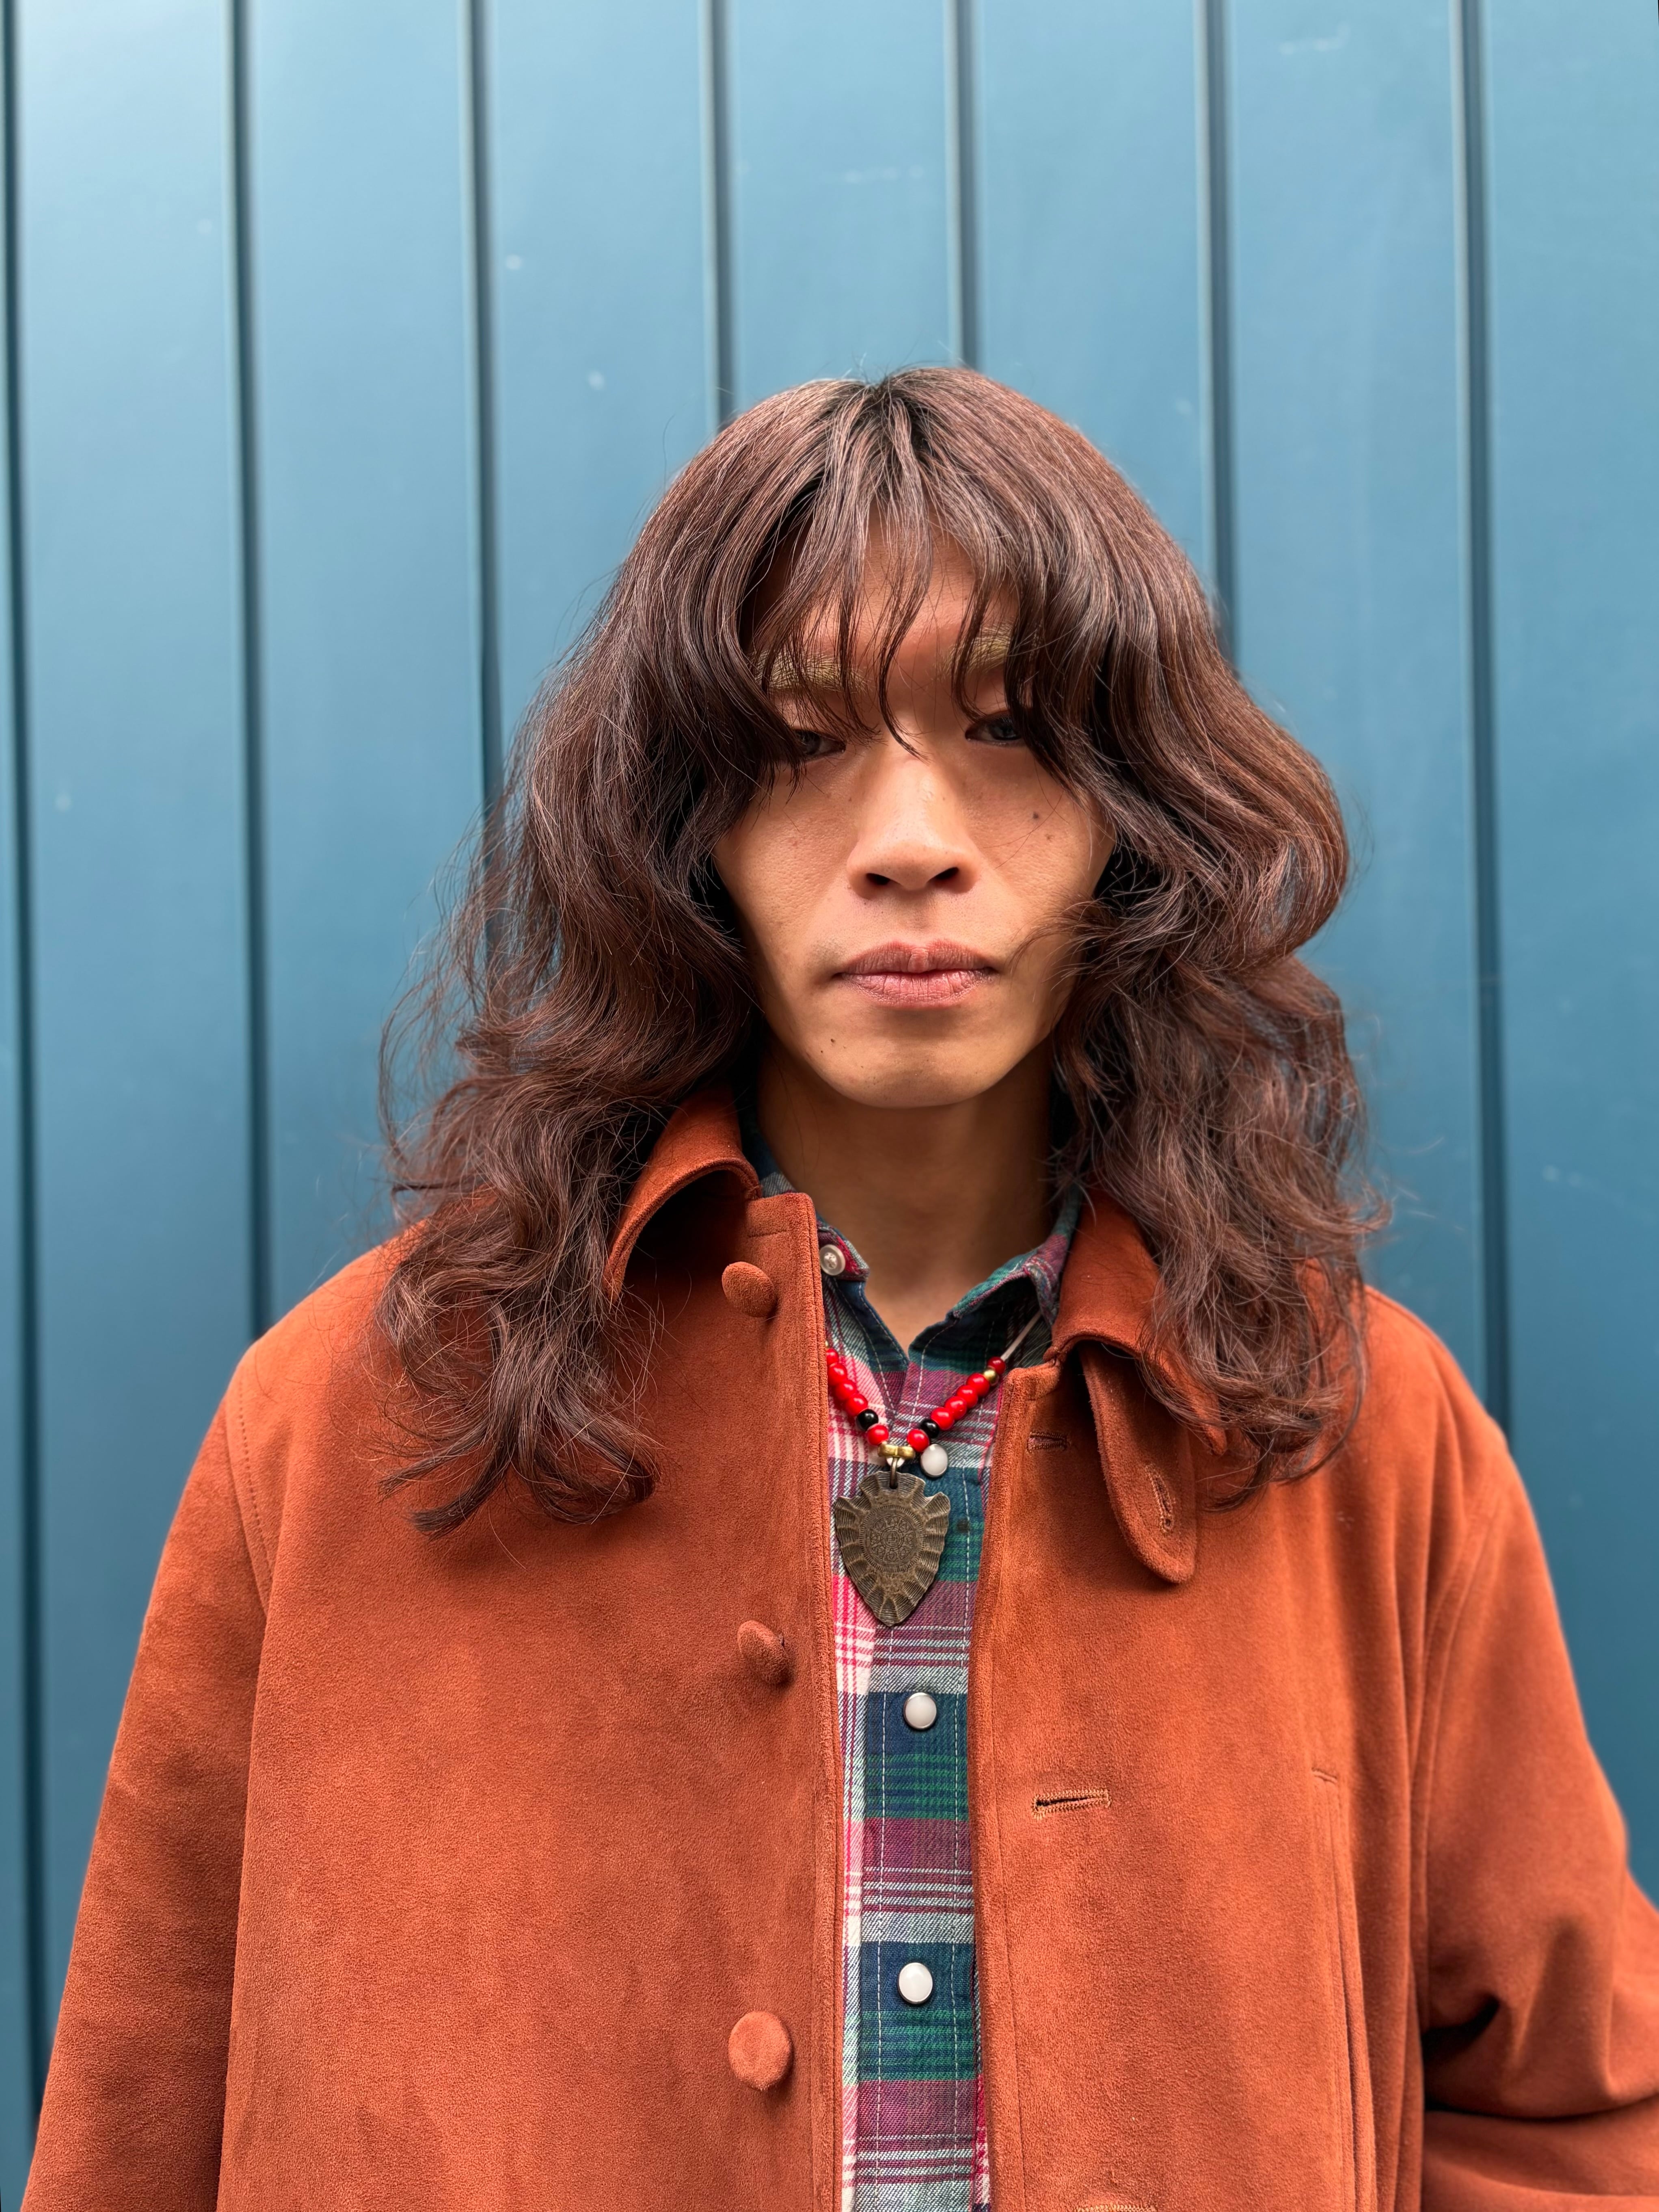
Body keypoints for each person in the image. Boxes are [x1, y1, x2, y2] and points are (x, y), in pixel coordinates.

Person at [24, 369, 1659, 2211]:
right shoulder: (343, 1420)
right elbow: (134, 2134)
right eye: (800, 741)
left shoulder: (1358, 1431)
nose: (910, 837)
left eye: (1011, 731)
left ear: (1134, 814)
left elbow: (1571, 2119)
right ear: (682, 828)